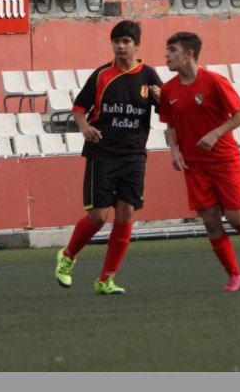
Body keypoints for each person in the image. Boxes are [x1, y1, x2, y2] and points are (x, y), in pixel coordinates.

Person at [54, 20, 162, 295]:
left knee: (126, 214)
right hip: (103, 154)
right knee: (98, 217)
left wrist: (162, 99)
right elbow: (79, 108)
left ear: (137, 45)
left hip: (134, 155)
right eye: (116, 41)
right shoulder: (102, 75)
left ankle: (106, 279)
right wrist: (85, 127)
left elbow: (167, 111)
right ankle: (67, 257)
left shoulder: (148, 76)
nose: (120, 46)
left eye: (126, 41)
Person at [158, 32, 240, 292]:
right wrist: (174, 151)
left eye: (172, 50)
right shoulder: (168, 90)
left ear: (188, 54)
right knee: (209, 221)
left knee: (236, 218)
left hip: (223, 160)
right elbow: (169, 125)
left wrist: (216, 133)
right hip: (195, 165)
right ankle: (236, 275)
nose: (167, 55)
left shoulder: (215, 82)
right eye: (167, 50)